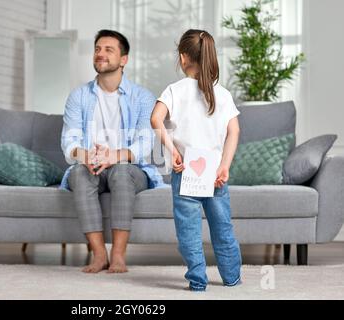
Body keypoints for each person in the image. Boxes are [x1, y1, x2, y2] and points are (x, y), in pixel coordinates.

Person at [60, 29, 165, 273]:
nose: (100, 54)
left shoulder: (142, 97)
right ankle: (99, 255)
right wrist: (84, 156)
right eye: (97, 49)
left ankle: (118, 255)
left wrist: (114, 156)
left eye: (109, 50)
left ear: (124, 59)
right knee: (78, 174)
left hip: (129, 169)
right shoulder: (78, 96)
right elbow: (69, 140)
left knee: (121, 171)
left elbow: (144, 143)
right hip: (92, 165)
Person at [151, 29, 242, 291]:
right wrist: (225, 165)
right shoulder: (222, 94)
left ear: (183, 58)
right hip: (215, 172)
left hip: (186, 170)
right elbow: (234, 131)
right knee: (222, 227)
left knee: (188, 231)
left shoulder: (174, 90)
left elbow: (156, 119)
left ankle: (198, 281)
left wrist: (172, 150)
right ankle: (231, 277)